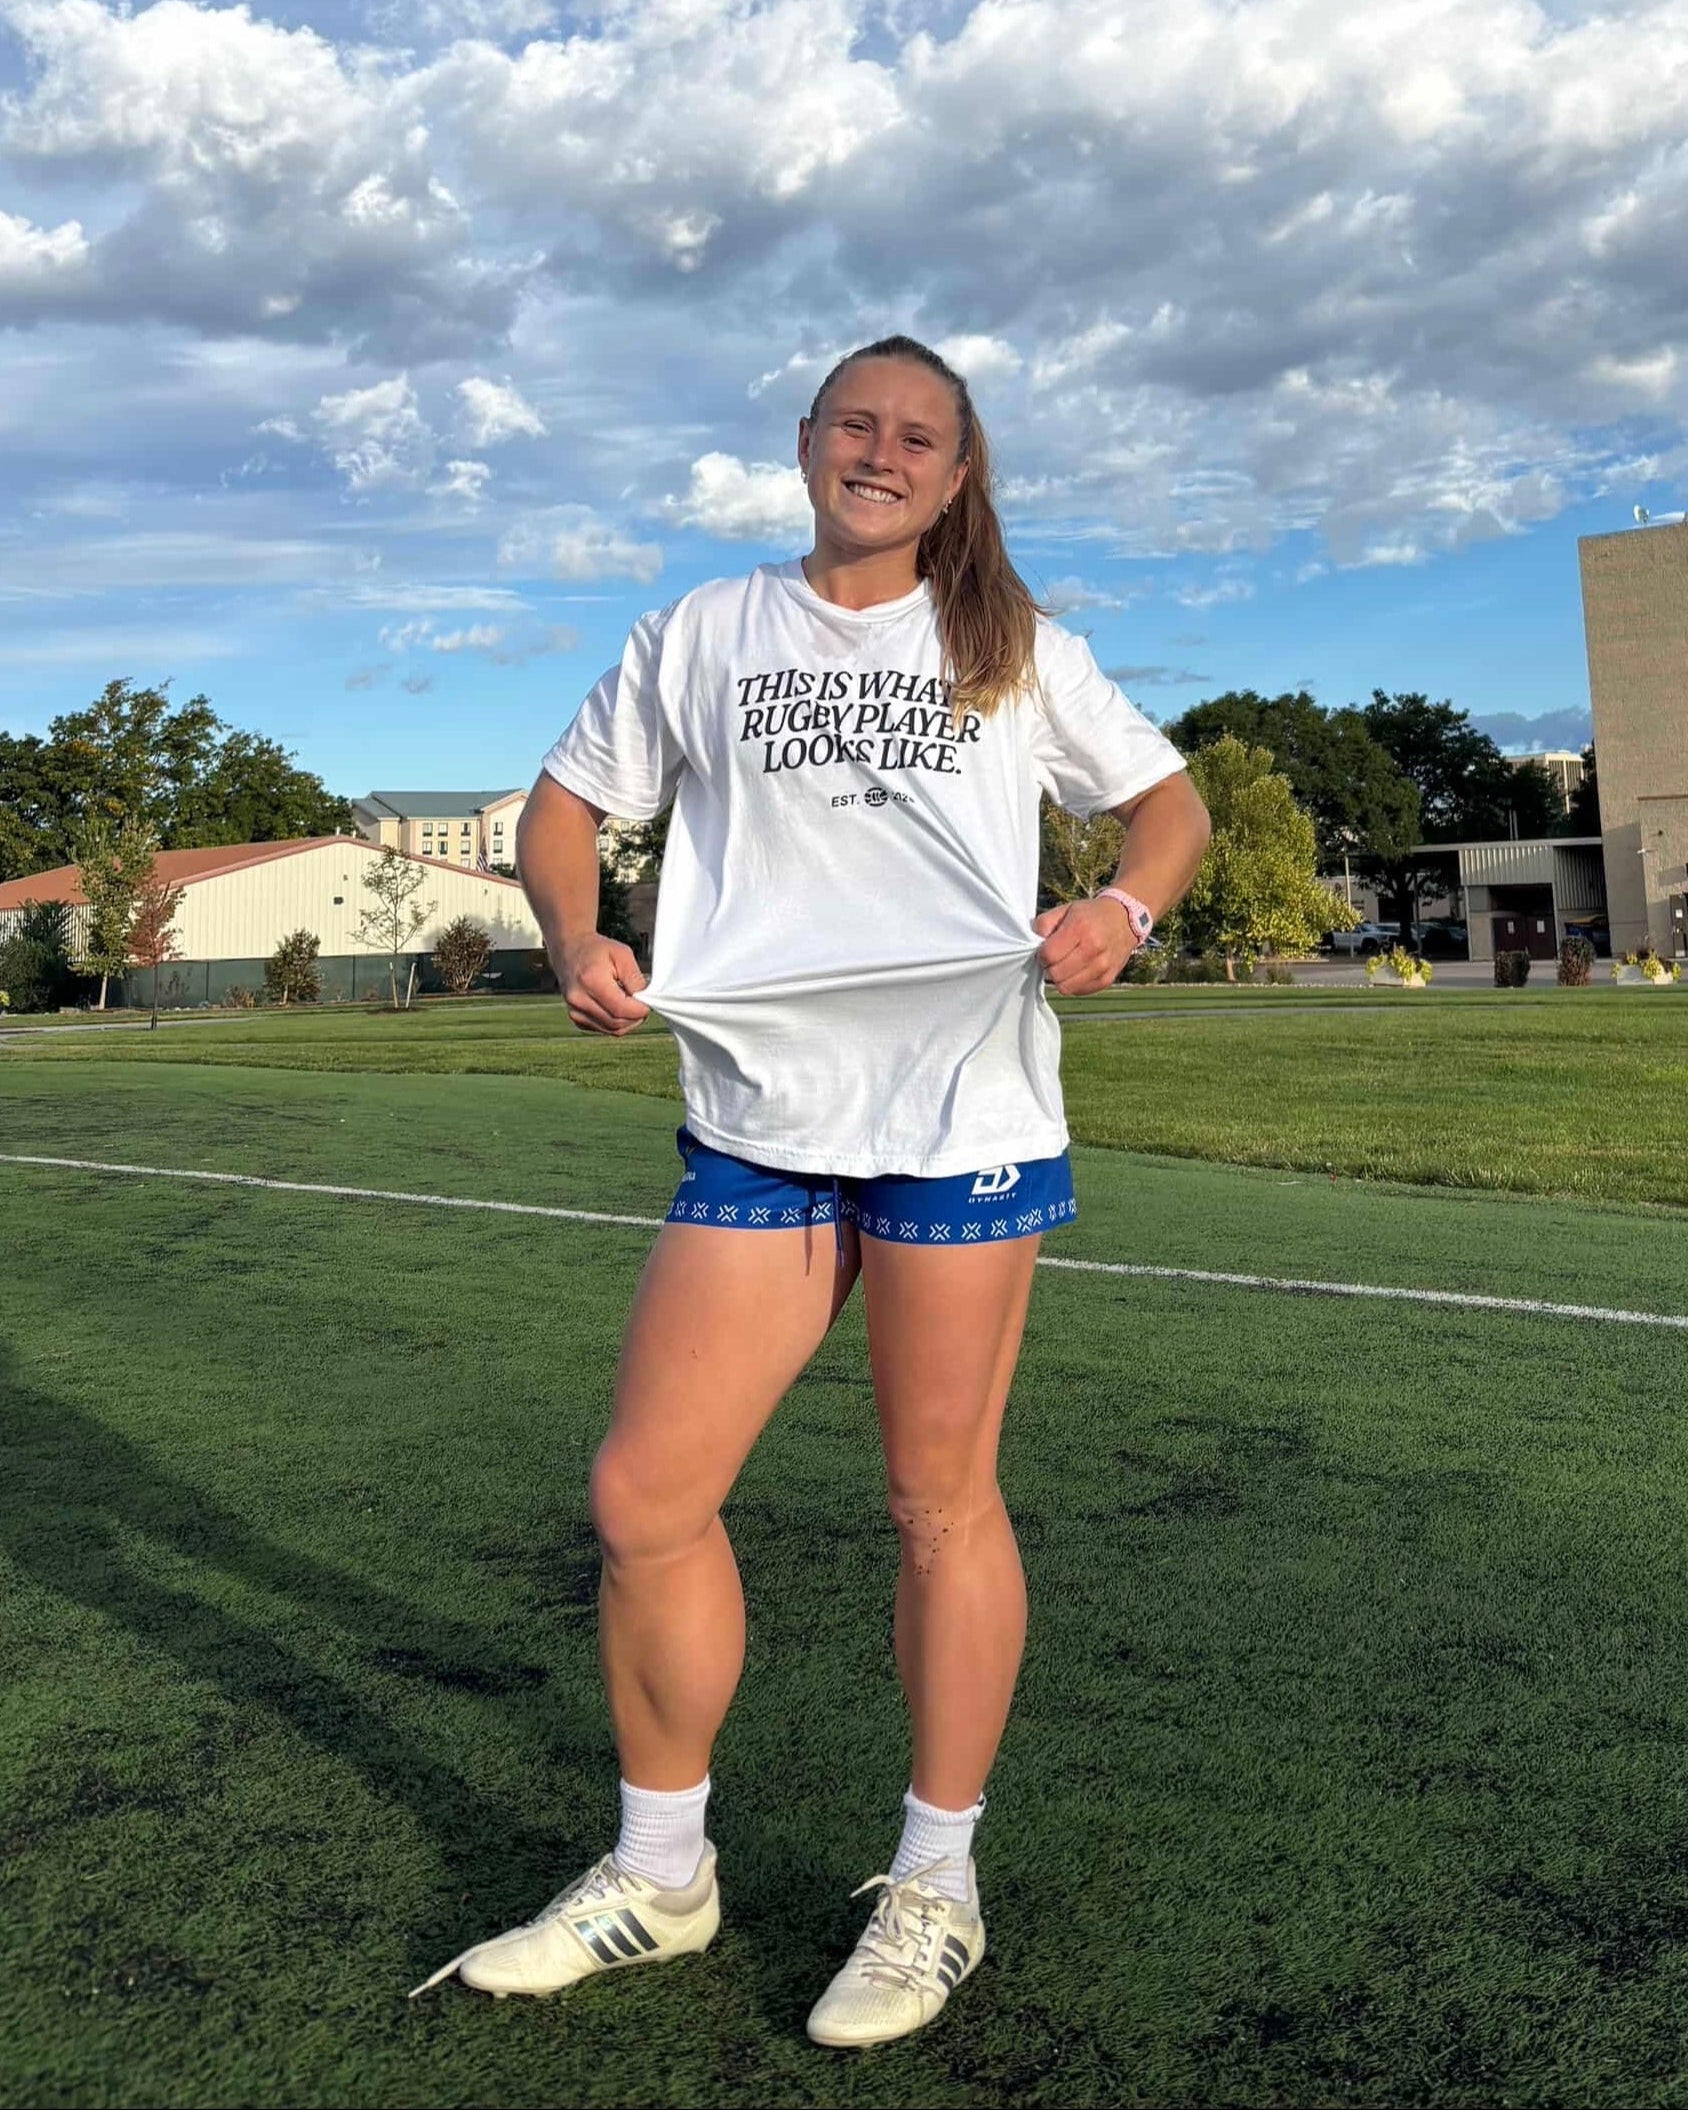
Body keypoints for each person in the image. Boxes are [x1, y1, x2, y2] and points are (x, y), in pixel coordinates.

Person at [413, 335, 1211, 2046]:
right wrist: (574, 926)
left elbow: (1170, 809)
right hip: (762, 1114)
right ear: (804, 444)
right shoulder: (703, 630)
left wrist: (1123, 914)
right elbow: (562, 811)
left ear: (956, 472)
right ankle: (664, 1870)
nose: (883, 451)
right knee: (643, 1494)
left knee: (938, 1503)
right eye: (858, 422)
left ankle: (935, 1886)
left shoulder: (1015, 646)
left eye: (920, 435)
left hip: (957, 1107)